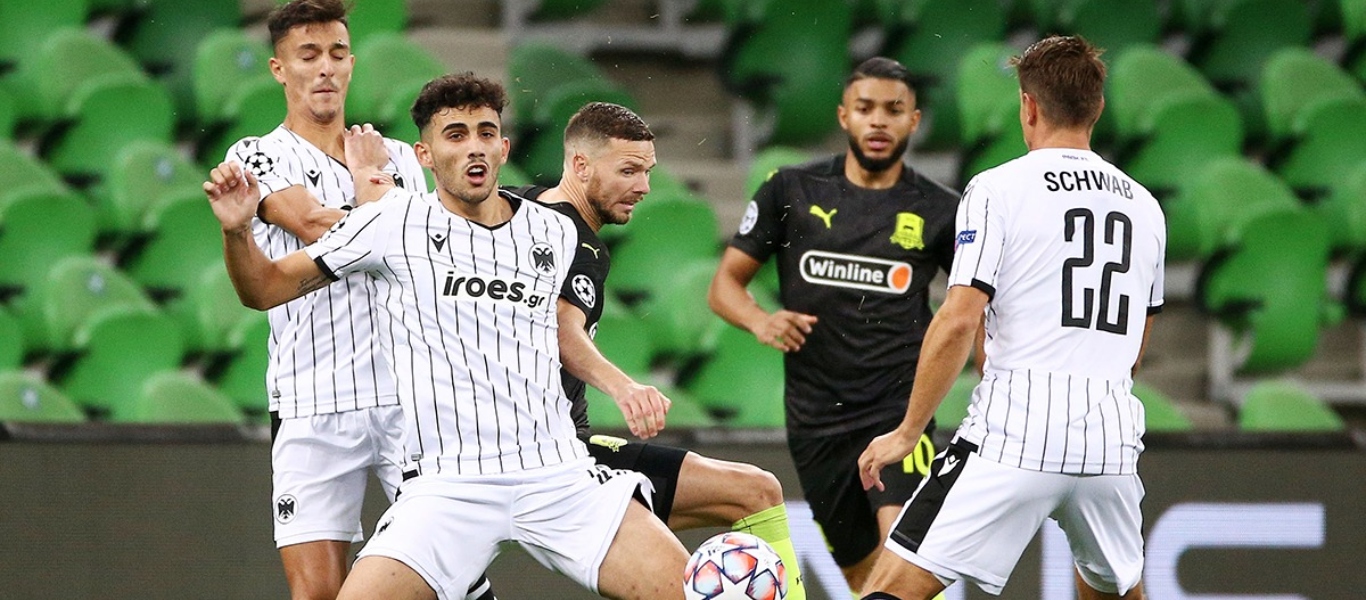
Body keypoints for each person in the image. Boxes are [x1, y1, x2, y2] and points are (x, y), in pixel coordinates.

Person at [206, 72, 690, 600]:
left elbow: (559, 330)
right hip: (447, 488)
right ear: (425, 156)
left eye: (486, 133)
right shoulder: (390, 224)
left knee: (691, 591)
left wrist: (619, 384)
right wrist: (237, 231)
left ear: (504, 148)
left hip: (557, 475)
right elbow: (264, 288)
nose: (474, 147)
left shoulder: (553, 232)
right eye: (455, 135)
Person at [856, 35, 1164, 600]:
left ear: (1029, 106)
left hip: (1016, 429)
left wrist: (907, 432)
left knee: (891, 588)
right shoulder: (1145, 206)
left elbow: (958, 319)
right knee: (1116, 590)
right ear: (1097, 107)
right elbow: (1138, 338)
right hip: (1110, 435)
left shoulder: (997, 189)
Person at [219, 2, 500, 599]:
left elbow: (426, 246)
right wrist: (377, 196)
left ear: (351, 63)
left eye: (337, 54)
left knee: (454, 580)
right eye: (309, 55)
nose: (325, 68)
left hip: (409, 401)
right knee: (317, 593)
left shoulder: (399, 157)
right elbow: (312, 224)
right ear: (278, 69)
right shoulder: (258, 154)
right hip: (312, 400)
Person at [509, 101, 807, 599]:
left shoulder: (518, 205)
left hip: (566, 448)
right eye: (628, 171)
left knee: (757, 491)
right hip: (549, 465)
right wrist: (624, 387)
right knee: (692, 585)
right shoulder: (576, 242)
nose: (645, 186)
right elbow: (561, 327)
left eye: (647, 171)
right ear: (580, 164)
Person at [708, 56, 959, 593]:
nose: (879, 121)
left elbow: (974, 305)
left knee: (903, 552)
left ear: (914, 121)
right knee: (863, 578)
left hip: (898, 410)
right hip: (816, 421)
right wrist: (760, 321)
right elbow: (725, 285)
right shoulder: (790, 190)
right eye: (866, 108)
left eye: (894, 110)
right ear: (844, 115)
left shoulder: (940, 209)